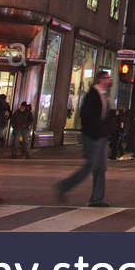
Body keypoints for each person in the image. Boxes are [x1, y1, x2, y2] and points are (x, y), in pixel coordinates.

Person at [56, 69, 115, 207]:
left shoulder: (104, 95)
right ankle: (65, 186)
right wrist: (97, 130)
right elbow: (88, 116)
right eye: (108, 78)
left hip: (100, 135)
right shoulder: (93, 95)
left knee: (101, 167)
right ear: (101, 79)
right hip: (93, 136)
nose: (110, 80)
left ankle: (97, 198)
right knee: (91, 166)